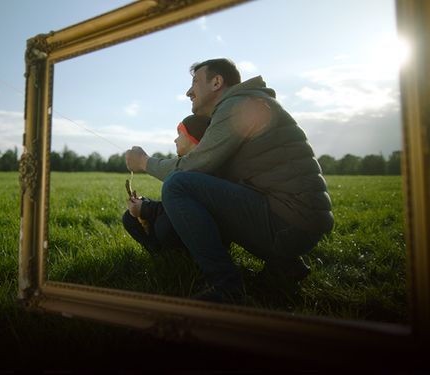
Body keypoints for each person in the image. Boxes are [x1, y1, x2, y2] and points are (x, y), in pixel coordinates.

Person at [125, 58, 334, 302]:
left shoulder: (237, 106)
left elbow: (192, 166)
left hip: (289, 221)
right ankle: (285, 268)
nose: (188, 91)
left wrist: (144, 162)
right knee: (198, 190)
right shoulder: (247, 103)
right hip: (295, 219)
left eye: (194, 82)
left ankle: (227, 288)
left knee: (178, 184)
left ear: (216, 82)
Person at [122, 114, 211, 255]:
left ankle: (185, 259)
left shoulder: (205, 169)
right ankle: (160, 254)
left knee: (165, 224)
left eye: (180, 133)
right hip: (182, 222)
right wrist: (145, 205)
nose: (175, 139)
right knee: (129, 217)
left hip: (202, 231)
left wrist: (147, 208)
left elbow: (187, 210)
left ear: (193, 139)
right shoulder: (184, 165)